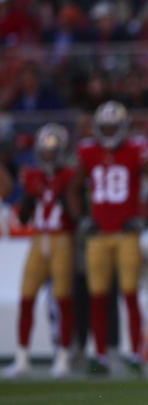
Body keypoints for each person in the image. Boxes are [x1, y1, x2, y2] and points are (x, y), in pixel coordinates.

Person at [67, 101, 148, 375]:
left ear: (124, 127)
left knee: (130, 295)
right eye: (105, 127)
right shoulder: (88, 151)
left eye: (114, 126)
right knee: (97, 297)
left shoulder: (136, 150)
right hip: (98, 234)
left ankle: (133, 353)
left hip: (126, 235)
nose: (109, 131)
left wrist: (145, 219)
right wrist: (82, 219)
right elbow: (73, 190)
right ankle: (99, 354)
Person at [3, 124, 75, 378]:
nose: (48, 155)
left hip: (62, 239)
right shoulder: (33, 176)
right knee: (26, 296)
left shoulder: (69, 174)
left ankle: (63, 357)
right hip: (38, 238)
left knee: (63, 299)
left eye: (52, 150)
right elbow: (23, 218)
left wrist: (63, 193)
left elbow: (76, 214)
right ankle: (22, 357)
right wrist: (29, 195)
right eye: (45, 151)